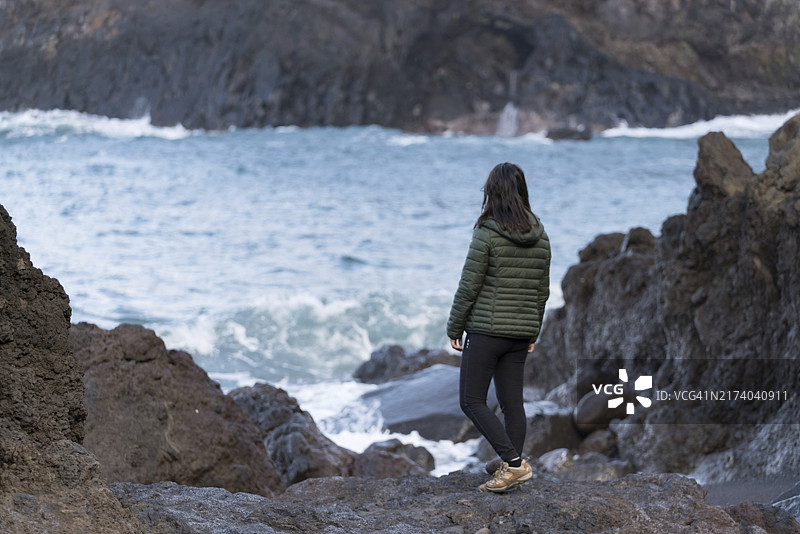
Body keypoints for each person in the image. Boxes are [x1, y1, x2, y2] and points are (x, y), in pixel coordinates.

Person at [447, 162, 551, 493]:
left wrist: (455, 326)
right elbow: (542, 290)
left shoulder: (487, 232)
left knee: (471, 400)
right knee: (511, 403)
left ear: (492, 193)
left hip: (487, 332)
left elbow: (469, 285)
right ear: (522, 192)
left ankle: (515, 464)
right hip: (520, 334)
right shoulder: (541, 234)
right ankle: (511, 465)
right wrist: (532, 331)